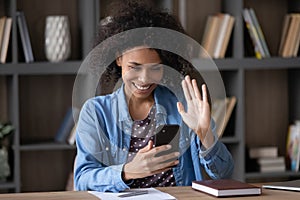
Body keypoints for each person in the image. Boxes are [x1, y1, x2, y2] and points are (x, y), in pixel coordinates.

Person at [74, 0, 234, 192]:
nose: (144, 79)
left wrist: (206, 135)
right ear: (118, 58)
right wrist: (128, 171)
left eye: (155, 68)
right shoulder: (96, 112)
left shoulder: (183, 105)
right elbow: (82, 179)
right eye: (134, 67)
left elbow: (224, 174)